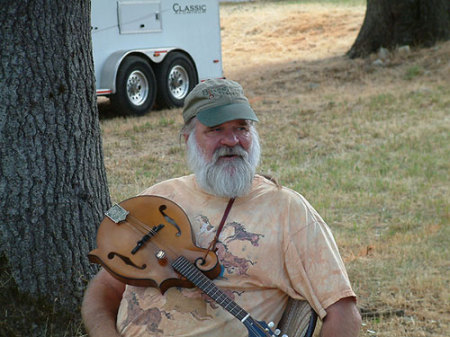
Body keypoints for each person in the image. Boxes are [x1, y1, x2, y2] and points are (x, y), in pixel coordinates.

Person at [81, 79, 361, 337]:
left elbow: (343, 312)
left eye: (242, 128)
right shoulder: (159, 198)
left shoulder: (287, 210)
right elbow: (105, 287)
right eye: (216, 130)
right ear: (188, 138)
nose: (231, 141)